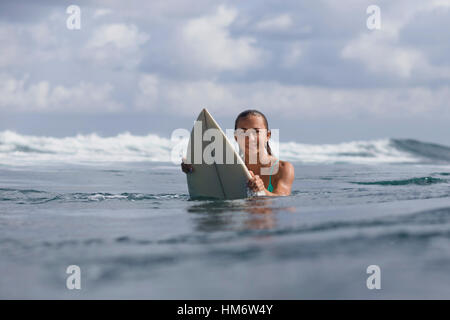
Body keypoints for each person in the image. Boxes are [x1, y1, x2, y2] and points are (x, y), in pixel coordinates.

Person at [181, 109, 294, 196]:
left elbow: (282, 199)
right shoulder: (229, 166)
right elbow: (214, 185)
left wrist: (262, 191)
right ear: (236, 137)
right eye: (243, 132)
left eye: (256, 131)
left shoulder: (283, 168)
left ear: (268, 136)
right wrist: (195, 170)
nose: (250, 138)